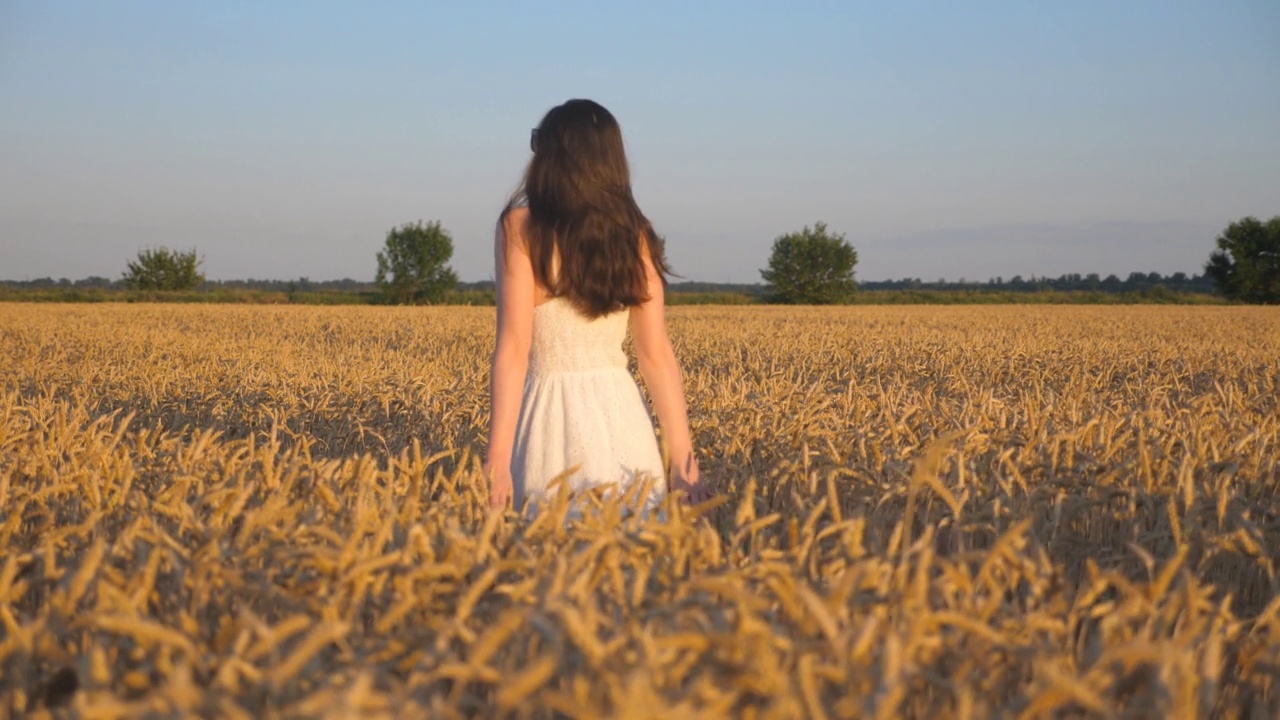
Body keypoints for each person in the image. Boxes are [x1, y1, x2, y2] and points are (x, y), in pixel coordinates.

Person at [483, 98, 712, 518]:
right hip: (624, 420)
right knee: (634, 568)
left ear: (555, 156)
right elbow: (655, 355)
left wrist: (496, 462)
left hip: (547, 422)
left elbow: (514, 349)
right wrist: (684, 464)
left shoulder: (520, 227)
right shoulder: (635, 234)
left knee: (547, 565)